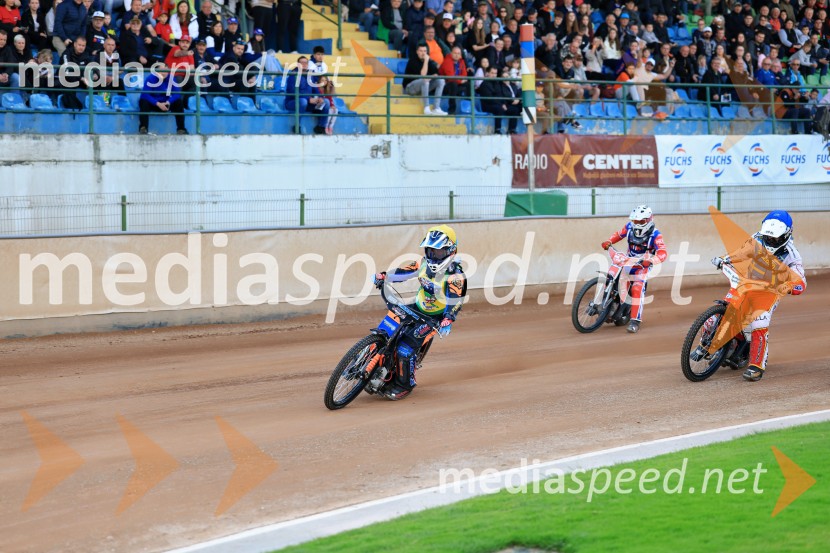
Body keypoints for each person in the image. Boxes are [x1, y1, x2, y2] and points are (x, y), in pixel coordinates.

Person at [372, 224, 466, 400]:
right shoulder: (423, 263)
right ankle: (366, 362)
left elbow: (455, 300)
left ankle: (404, 385)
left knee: (404, 349)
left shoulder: (455, 275)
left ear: (451, 250)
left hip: (435, 317)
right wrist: (385, 276)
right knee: (386, 329)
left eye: (438, 252)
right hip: (417, 306)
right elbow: (404, 272)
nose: (433, 256)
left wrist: (448, 319)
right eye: (430, 251)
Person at [710, 211, 805, 382]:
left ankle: (756, 366)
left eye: (774, 239)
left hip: (769, 292)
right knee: (722, 312)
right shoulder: (756, 238)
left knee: (759, 321)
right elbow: (741, 253)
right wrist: (724, 259)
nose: (769, 241)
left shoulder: (792, 254)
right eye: (767, 237)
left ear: (786, 235)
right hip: (746, 282)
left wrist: (789, 286)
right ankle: (717, 345)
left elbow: (801, 282)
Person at [600, 205, 668, 334]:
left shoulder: (656, 235)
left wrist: (652, 260)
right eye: (635, 221)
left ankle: (635, 321)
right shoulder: (629, 227)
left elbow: (663, 252)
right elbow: (619, 234)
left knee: (637, 288)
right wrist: (609, 241)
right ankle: (607, 305)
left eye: (640, 221)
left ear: (648, 220)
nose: (636, 223)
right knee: (612, 276)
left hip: (643, 266)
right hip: (627, 260)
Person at [138, 64, 187, 134]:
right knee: (143, 101)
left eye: (166, 71)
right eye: (162, 71)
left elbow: (177, 94)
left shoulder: (171, 78)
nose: (164, 73)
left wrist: (168, 102)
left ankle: (181, 129)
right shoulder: (151, 78)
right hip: (154, 103)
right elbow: (145, 94)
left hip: (166, 103)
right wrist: (157, 103)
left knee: (179, 102)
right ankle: (143, 128)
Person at [403, 43, 446, 115]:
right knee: (425, 80)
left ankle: (436, 108)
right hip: (409, 88)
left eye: (425, 51)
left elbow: (436, 74)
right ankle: (426, 107)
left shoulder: (429, 61)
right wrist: (426, 61)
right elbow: (423, 75)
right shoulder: (412, 61)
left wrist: (432, 75)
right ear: (417, 52)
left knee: (441, 81)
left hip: (423, 87)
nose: (423, 53)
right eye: (421, 51)